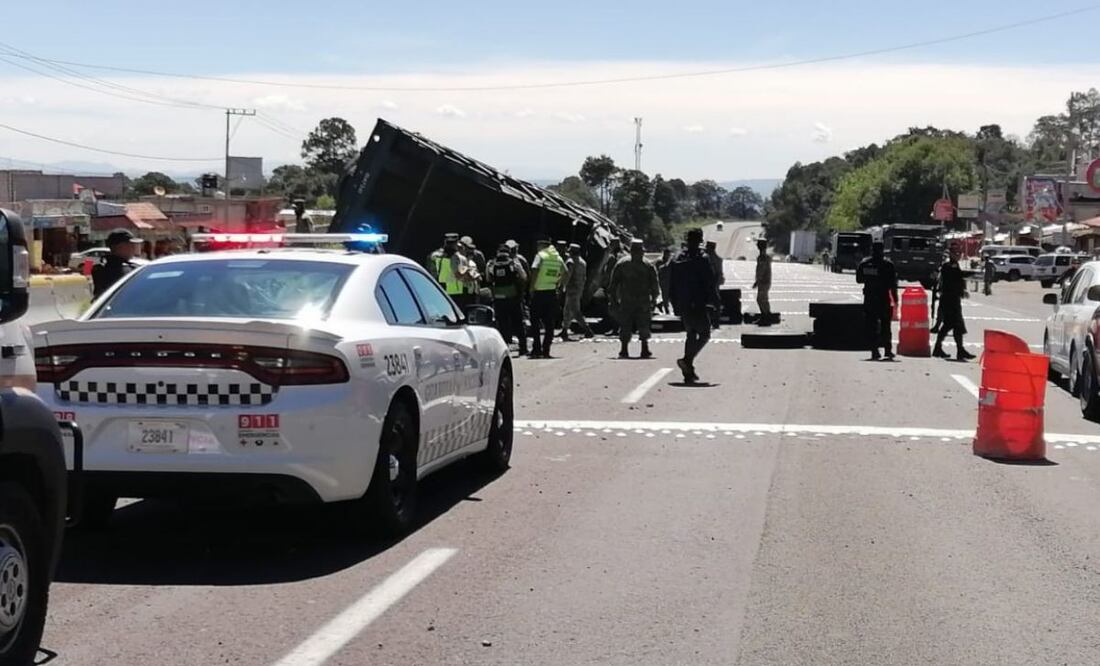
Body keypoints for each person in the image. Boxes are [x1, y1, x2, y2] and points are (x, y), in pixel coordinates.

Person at [670, 228, 717, 382]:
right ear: (699, 241)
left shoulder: (678, 258)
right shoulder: (702, 258)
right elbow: (710, 282)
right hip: (698, 303)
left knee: (691, 334)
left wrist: (673, 302)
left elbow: (671, 282)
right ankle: (687, 360)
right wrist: (715, 301)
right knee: (705, 334)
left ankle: (688, 373)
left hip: (683, 303)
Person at [608, 239, 660, 359]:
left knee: (625, 324)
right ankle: (644, 349)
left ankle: (624, 350)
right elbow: (655, 285)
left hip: (627, 301)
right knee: (643, 325)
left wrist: (614, 300)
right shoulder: (647, 265)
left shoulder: (622, 264)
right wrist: (654, 300)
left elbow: (613, 284)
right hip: (642, 301)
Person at [856, 241, 899, 361]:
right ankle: (888, 350)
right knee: (886, 326)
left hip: (870, 299)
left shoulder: (865, 264)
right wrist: (895, 300)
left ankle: (874, 351)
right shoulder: (888, 265)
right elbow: (893, 285)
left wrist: (870, 278)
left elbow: (859, 279)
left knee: (871, 326)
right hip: (883, 299)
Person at [933, 244, 975, 362]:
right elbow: (953, 279)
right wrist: (969, 274)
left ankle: (959, 350)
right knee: (949, 324)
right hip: (948, 299)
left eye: (959, 253)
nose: (958, 255)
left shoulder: (955, 265)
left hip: (954, 299)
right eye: (955, 253)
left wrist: (962, 291)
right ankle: (939, 348)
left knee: (957, 325)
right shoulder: (947, 266)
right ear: (950, 254)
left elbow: (957, 280)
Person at [528, 237, 566, 358]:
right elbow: (566, 272)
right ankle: (546, 350)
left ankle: (536, 349)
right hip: (551, 293)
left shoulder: (540, 256)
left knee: (534, 322)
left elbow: (534, 270)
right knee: (549, 324)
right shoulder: (557, 257)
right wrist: (559, 285)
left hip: (538, 293)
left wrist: (531, 288)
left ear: (542, 245)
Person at [488, 243, 528, 356]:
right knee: (518, 323)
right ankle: (523, 348)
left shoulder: (491, 264)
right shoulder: (513, 263)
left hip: (499, 298)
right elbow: (524, 276)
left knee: (502, 324)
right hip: (513, 298)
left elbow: (488, 278)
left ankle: (504, 349)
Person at [429, 233, 477, 310]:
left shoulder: (435, 256)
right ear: (456, 244)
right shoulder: (458, 258)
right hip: (456, 292)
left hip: (442, 289)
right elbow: (461, 276)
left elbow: (433, 273)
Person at [92, 229, 143, 297]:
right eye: (130, 244)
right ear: (119, 246)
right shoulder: (130, 270)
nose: (133, 247)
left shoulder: (98, 269)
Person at [560, 243, 594, 341]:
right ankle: (564, 330)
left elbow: (568, 275)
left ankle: (587, 330)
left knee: (575, 311)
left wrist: (563, 286)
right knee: (567, 310)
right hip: (579, 288)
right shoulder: (583, 262)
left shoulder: (570, 262)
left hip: (571, 288)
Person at [751, 239, 772, 326]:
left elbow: (761, 270)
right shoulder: (765, 256)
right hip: (765, 281)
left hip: (763, 281)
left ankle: (765, 317)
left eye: (758, 245)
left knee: (760, 300)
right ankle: (766, 317)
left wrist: (757, 281)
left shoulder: (762, 257)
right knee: (764, 300)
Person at [705, 240, 725, 329]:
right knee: (714, 303)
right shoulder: (715, 258)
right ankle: (713, 320)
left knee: (713, 303)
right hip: (711, 284)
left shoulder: (711, 259)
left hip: (711, 284)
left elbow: (717, 273)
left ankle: (714, 321)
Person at [656, 248, 673, 315]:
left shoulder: (669, 260)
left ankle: (660, 304)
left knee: (669, 296)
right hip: (663, 281)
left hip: (669, 280)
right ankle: (666, 311)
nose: (668, 255)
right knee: (665, 296)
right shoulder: (660, 261)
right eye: (667, 254)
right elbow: (659, 270)